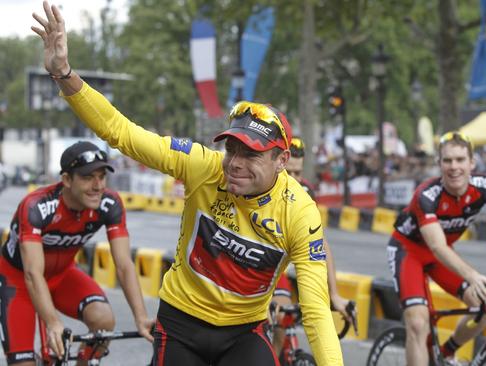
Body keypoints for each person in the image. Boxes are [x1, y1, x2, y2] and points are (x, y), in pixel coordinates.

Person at [31, 3, 343, 365]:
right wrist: (64, 74)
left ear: (281, 161)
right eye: (232, 150)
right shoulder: (204, 167)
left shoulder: (299, 210)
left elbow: (317, 311)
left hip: (244, 332)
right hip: (181, 325)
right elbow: (121, 132)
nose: (236, 164)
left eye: (252, 155)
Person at [0, 141, 153, 366]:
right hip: (19, 280)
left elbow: (123, 265)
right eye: (87, 177)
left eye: (101, 176)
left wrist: (140, 318)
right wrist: (53, 323)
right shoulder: (37, 206)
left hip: (62, 275)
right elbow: (32, 274)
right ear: (67, 180)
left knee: (103, 320)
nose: (97, 185)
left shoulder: (109, 204)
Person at [387, 131, 486, 365]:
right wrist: (473, 276)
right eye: (448, 160)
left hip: (440, 257)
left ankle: (447, 352)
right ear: (439, 164)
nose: (454, 167)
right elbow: (437, 246)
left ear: (472, 163)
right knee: (417, 322)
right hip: (409, 251)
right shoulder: (426, 195)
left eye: (460, 160)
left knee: (485, 305)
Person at [271, 137, 354, 354]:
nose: (296, 179)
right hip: (261, 261)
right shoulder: (264, 186)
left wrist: (333, 294)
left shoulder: (305, 192)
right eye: (291, 173)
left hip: (284, 264)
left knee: (284, 320)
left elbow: (320, 244)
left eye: (299, 173)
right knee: (274, 322)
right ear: (279, 165)